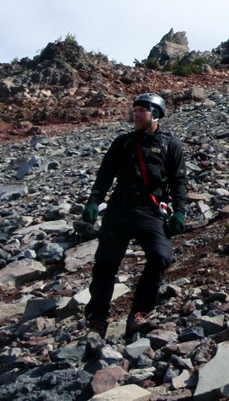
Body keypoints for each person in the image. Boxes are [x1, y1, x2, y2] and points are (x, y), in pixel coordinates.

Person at [81, 93, 188, 337]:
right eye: (135, 110)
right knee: (106, 264)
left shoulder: (170, 144)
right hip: (119, 209)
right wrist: (93, 202)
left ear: (156, 114)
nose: (136, 115)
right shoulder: (123, 142)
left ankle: (139, 314)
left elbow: (179, 181)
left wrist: (179, 212)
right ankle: (96, 318)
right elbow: (105, 174)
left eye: (142, 110)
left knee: (161, 256)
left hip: (149, 211)